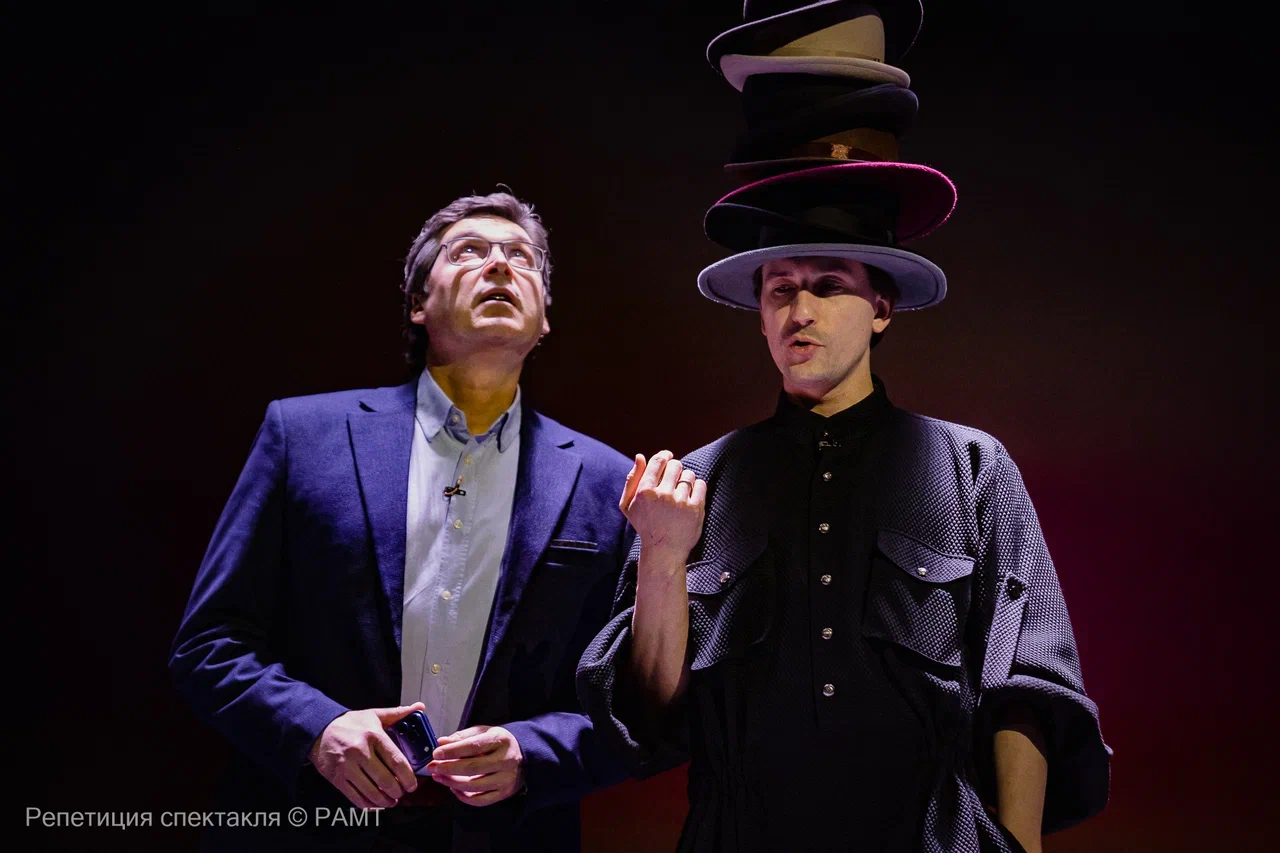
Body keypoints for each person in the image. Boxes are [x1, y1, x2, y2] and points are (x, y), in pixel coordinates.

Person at [577, 235, 1111, 849]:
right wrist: (664, 556)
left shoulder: (972, 465)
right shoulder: (693, 485)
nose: (800, 311)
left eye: (828, 286)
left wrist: (1020, 845)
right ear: (761, 317)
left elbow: (1029, 681)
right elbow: (648, 717)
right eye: (781, 290)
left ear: (880, 309)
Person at [171, 190, 631, 851]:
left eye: (522, 257)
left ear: (545, 320)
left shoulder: (609, 481)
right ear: (418, 302)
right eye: (469, 251)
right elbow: (207, 645)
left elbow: (631, 704)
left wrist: (533, 752)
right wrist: (317, 729)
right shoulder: (303, 436)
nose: (500, 265)